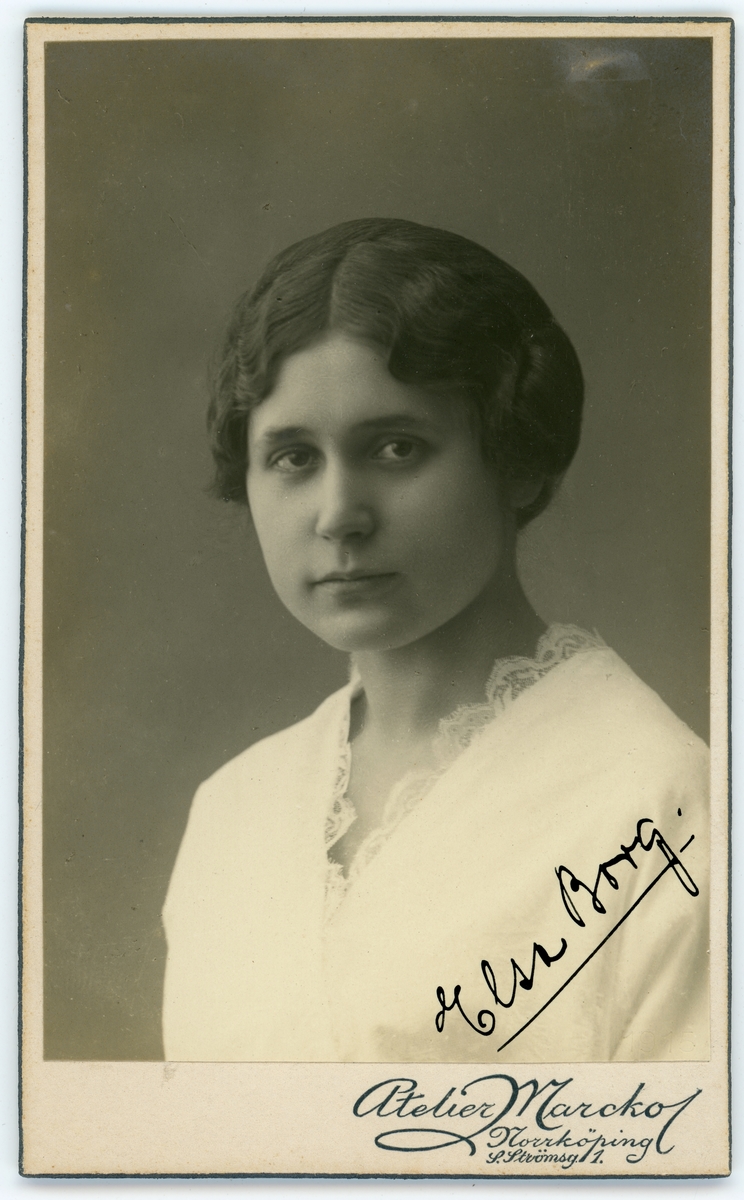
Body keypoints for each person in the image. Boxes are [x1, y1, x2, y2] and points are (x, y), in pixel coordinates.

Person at [161, 218, 709, 1063]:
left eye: (396, 447)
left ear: (518, 460)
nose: (340, 515)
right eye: (294, 458)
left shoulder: (659, 803)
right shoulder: (233, 808)